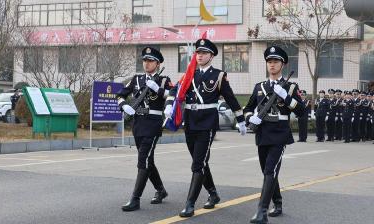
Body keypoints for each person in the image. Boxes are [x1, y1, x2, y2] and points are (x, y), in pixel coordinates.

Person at [164, 38, 247, 217]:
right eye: (198, 53)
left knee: (197, 164)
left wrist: (240, 120)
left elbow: (231, 98)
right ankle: (213, 193)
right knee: (200, 162)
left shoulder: (218, 76)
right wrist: (170, 104)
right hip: (190, 121)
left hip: (207, 123)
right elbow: (174, 90)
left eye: (203, 53)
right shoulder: (189, 74)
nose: (199, 55)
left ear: (211, 56)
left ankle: (190, 203)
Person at [243, 46, 304, 224]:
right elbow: (247, 108)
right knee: (268, 171)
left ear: (282, 64)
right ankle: (277, 203)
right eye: (269, 61)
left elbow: (301, 111)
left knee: (270, 170)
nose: (272, 65)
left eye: (275, 61)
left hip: (279, 133)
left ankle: (261, 211)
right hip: (262, 133)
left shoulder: (291, 87)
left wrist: (285, 96)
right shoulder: (259, 87)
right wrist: (250, 118)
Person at [117, 47, 172, 211]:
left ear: (157, 63)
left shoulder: (163, 80)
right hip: (138, 124)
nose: (146, 64)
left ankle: (135, 199)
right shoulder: (136, 79)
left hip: (153, 124)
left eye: (150, 61)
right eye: (145, 61)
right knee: (148, 160)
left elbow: (173, 95)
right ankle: (161, 190)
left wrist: (158, 89)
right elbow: (120, 94)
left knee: (143, 160)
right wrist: (124, 106)